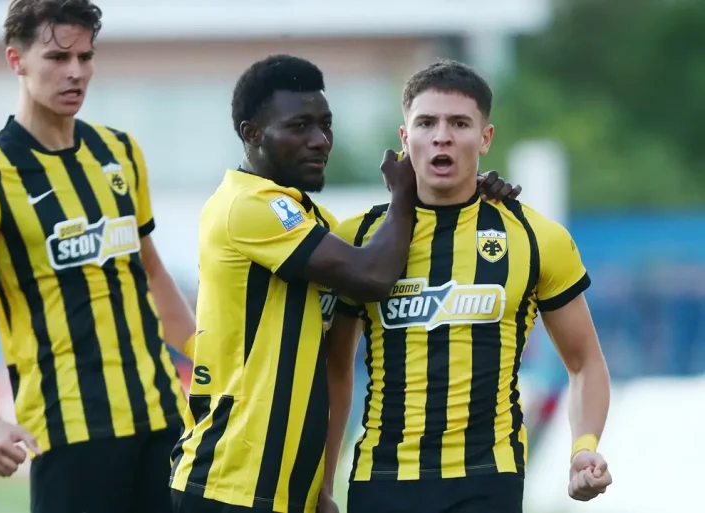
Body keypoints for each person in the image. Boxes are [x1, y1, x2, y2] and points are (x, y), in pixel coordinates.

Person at [167, 54, 522, 513]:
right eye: (299, 127)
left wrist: (472, 195)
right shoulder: (246, 205)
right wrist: (403, 192)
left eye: (325, 125)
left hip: (282, 489)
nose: (319, 141)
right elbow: (373, 276)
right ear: (251, 134)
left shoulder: (312, 220)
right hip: (228, 481)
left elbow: (384, 255)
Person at [0, 1, 194, 512]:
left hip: (163, 417)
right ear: (16, 60)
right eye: (56, 57)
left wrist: (207, 360)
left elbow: (152, 274)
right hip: (69, 432)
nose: (76, 72)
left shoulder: (120, 153)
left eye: (85, 57)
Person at [322, 59, 613, 513]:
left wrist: (583, 447)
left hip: (487, 479)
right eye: (426, 123)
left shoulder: (537, 238)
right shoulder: (358, 238)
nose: (442, 136)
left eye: (459, 123)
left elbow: (585, 363)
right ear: (405, 138)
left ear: (485, 137)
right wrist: (322, 485)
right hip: (382, 478)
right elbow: (334, 369)